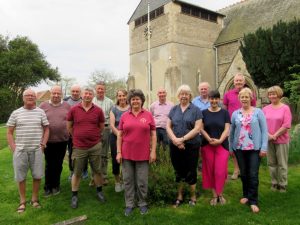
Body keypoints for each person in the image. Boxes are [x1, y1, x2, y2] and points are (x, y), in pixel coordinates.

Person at [7, 89, 49, 213]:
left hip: (37, 150)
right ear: (23, 98)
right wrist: (14, 148)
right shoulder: (16, 113)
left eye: (32, 95)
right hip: (21, 150)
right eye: (27, 95)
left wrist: (43, 144)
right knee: (21, 177)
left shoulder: (41, 112)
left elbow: (46, 129)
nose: (30, 97)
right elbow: (9, 132)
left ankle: (34, 200)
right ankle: (22, 201)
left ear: (35, 98)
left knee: (37, 175)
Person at [116, 89, 156, 216]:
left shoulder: (148, 115)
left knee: (142, 181)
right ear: (129, 101)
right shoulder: (124, 116)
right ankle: (129, 204)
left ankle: (142, 203)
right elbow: (120, 135)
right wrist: (118, 152)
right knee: (128, 180)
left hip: (143, 154)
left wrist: (153, 151)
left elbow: (153, 135)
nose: (135, 101)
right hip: (126, 153)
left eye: (137, 99)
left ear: (142, 101)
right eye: (133, 99)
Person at [229, 87, 268, 213]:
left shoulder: (258, 112)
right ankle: (246, 195)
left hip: (254, 149)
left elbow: (264, 131)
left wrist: (264, 147)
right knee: (244, 174)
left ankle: (253, 201)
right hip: (239, 148)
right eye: (242, 97)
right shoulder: (235, 113)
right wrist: (231, 147)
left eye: (246, 97)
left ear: (251, 98)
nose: (244, 99)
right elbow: (232, 131)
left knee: (253, 174)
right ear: (239, 99)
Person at [67, 87, 106, 209]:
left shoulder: (98, 110)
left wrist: (93, 136)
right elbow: (69, 126)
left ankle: (99, 191)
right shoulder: (73, 110)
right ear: (82, 95)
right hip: (79, 146)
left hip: (95, 145)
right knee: (77, 172)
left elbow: (101, 126)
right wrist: (76, 136)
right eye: (86, 93)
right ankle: (74, 195)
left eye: (90, 94)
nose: (87, 95)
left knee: (97, 170)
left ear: (92, 96)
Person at [166, 84, 202, 208]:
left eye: (186, 94)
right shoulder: (174, 109)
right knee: (178, 171)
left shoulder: (196, 110)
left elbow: (197, 128)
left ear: (190, 96)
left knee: (191, 171)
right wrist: (175, 140)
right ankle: (179, 196)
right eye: (182, 94)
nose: (184, 96)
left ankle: (193, 196)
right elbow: (168, 126)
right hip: (175, 145)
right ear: (178, 95)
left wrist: (182, 139)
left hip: (191, 145)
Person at [223, 73, 256, 180]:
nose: (238, 83)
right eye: (237, 81)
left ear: (244, 82)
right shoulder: (228, 94)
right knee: (233, 147)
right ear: (234, 82)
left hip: (247, 126)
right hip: (233, 125)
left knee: (246, 147)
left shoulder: (250, 94)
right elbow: (225, 109)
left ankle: (245, 169)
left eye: (240, 81)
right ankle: (237, 169)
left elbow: (254, 109)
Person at [200, 90, 230, 206]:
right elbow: (201, 128)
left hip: (222, 145)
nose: (213, 101)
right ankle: (214, 195)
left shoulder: (225, 113)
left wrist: (220, 140)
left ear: (219, 100)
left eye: (215, 98)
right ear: (208, 99)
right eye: (211, 98)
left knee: (220, 171)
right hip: (208, 145)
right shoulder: (203, 113)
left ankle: (220, 193)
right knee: (211, 170)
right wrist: (209, 139)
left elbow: (227, 129)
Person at [40, 86, 71, 197]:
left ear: (61, 94)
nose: (56, 95)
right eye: (54, 93)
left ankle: (56, 185)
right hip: (47, 140)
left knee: (58, 164)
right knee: (49, 164)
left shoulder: (67, 106)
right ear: (51, 94)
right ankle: (48, 187)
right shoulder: (43, 105)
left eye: (58, 93)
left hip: (62, 140)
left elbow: (71, 121)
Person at [262, 86, 292, 192]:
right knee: (271, 163)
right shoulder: (265, 109)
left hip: (282, 140)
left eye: (274, 93)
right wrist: (269, 135)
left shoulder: (285, 108)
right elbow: (262, 125)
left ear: (279, 94)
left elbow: (287, 125)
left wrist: (275, 135)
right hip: (269, 140)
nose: (272, 96)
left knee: (282, 164)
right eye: (270, 94)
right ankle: (274, 183)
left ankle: (283, 184)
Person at [64, 84, 88, 180]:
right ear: (70, 91)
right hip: (70, 132)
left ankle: (84, 170)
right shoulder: (65, 101)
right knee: (71, 153)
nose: (75, 93)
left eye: (77, 91)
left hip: (83, 132)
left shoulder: (84, 100)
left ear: (80, 92)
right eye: (73, 91)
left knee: (85, 152)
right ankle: (72, 171)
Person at [92, 81, 114, 185]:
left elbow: (112, 117)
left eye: (102, 89)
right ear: (95, 89)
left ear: (105, 90)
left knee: (104, 154)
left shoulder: (110, 102)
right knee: (94, 154)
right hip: (94, 130)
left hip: (105, 129)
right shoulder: (91, 101)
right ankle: (94, 177)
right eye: (98, 89)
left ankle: (104, 176)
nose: (100, 90)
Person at [109, 89, 129, 192]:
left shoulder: (130, 108)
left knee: (127, 160)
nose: (122, 98)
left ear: (126, 96)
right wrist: (119, 136)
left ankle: (124, 179)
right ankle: (117, 182)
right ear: (117, 97)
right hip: (115, 136)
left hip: (129, 138)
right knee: (116, 159)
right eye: (119, 96)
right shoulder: (113, 109)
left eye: (123, 95)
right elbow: (112, 125)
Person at [192, 82, 211, 174]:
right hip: (198, 129)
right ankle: (199, 166)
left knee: (208, 148)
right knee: (198, 148)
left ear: (208, 89)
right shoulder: (194, 101)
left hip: (210, 129)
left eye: (205, 89)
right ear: (199, 90)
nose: (203, 90)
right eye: (202, 89)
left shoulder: (212, 100)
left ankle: (208, 166)